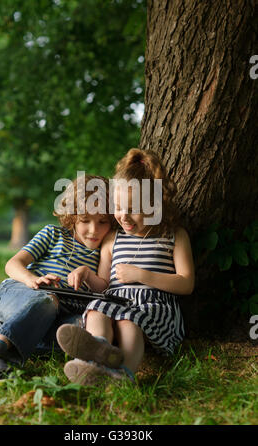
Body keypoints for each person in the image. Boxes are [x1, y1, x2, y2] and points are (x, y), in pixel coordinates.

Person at [57, 148, 195, 385]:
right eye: (119, 208)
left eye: (133, 210)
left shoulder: (173, 236)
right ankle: (97, 353)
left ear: (156, 205)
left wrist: (142, 275)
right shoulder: (113, 238)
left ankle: (124, 373)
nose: (124, 216)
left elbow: (186, 282)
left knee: (128, 319)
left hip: (153, 306)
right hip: (116, 299)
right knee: (97, 308)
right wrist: (87, 274)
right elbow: (103, 285)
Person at [0, 174, 118, 383]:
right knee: (48, 299)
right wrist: (32, 280)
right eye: (85, 220)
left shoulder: (104, 251)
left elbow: (102, 288)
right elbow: (12, 264)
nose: (94, 230)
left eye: (103, 221)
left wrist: (87, 272)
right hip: (21, 295)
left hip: (59, 315)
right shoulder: (52, 235)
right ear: (72, 216)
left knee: (84, 332)